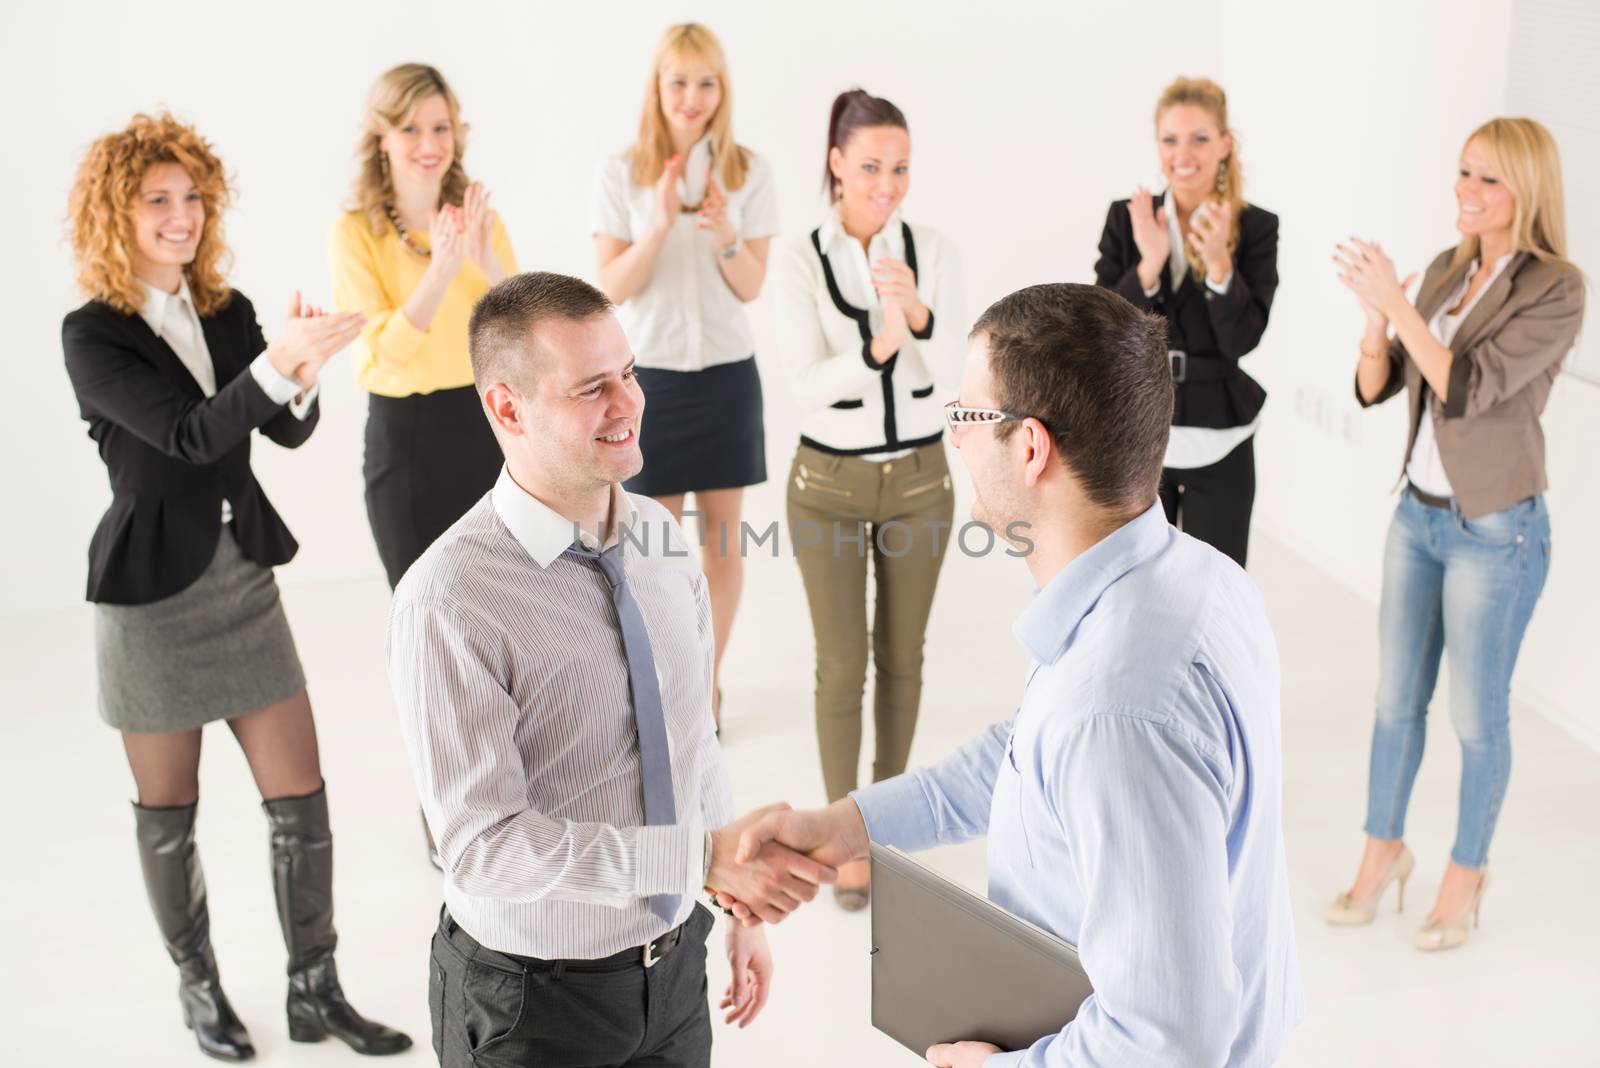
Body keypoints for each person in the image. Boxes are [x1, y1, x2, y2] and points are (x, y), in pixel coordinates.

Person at [726, 284, 1304, 1066]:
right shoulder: (1199, 581)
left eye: (964, 417)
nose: (954, 440)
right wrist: (849, 825)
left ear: (1030, 448)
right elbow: (1028, 753)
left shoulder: (1117, 712)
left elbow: (1171, 1040)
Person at [385, 272, 835, 1067]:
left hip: (673, 970)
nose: (629, 403)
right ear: (507, 408)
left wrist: (735, 905)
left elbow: (693, 740)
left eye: (627, 373)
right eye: (592, 388)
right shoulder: (450, 600)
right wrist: (694, 861)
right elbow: (484, 845)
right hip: (532, 1003)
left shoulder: (660, 537)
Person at [62, 113, 410, 1061]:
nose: (182, 217)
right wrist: (275, 366)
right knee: (169, 818)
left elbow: (281, 431)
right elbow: (185, 437)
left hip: (240, 578)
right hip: (148, 602)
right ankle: (200, 989)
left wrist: (304, 372)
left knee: (302, 797)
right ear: (115, 213)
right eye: (158, 201)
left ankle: (315, 989)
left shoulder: (226, 308)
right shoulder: (94, 334)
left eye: (193, 198)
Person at [1329, 117, 1584, 951]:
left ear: (1526, 191)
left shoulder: (1557, 287)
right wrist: (1376, 320)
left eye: (1486, 180)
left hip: (1495, 531)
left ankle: (1466, 874)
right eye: (1462, 173)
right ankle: (1381, 856)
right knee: (1394, 703)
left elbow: (1466, 388)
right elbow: (1380, 386)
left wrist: (1399, 304)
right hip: (1418, 517)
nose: (1464, 193)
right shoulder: (1447, 269)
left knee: (1478, 720)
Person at [771, 89, 963, 909]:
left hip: (921, 481)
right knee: (840, 665)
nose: (888, 184)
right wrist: (881, 346)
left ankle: (886, 825)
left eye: (902, 168)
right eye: (873, 166)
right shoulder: (799, 257)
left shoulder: (934, 248)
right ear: (837, 163)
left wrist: (917, 314)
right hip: (829, 488)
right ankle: (839, 832)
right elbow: (807, 388)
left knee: (904, 659)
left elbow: (957, 373)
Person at [329, 62, 516, 867]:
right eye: (412, 129)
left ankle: (512, 797)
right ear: (383, 136)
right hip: (403, 446)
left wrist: (483, 259)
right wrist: (441, 271)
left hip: (484, 431)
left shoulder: (476, 216)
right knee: (432, 636)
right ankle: (447, 819)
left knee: (509, 618)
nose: (430, 144)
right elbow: (378, 361)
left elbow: (525, 320)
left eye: (442, 128)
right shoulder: (357, 235)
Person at [592, 23, 779, 730]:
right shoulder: (621, 172)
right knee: (656, 551)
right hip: (654, 381)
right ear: (658, 87)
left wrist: (727, 234)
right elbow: (611, 286)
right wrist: (660, 225)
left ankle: (709, 683)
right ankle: (670, 675)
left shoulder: (748, 171)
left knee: (724, 543)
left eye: (707, 83)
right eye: (679, 82)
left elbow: (751, 286)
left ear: (721, 90)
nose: (692, 98)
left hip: (727, 377)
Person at [1094, 76, 1279, 567]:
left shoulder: (1256, 227)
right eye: (1170, 140)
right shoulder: (1126, 219)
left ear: (1224, 144)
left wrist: (1220, 265)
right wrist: (1149, 264)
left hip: (1220, 435)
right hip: (1140, 428)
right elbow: (1105, 329)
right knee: (1133, 581)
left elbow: (1243, 339)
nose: (1184, 154)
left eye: (1199, 138)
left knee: (1215, 587)